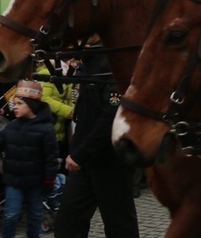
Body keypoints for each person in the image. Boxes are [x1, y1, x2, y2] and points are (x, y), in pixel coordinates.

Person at [53, 49, 140, 238]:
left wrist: (80, 153)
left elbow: (111, 114)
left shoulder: (112, 63)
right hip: (82, 163)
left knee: (120, 225)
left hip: (111, 162)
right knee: (67, 223)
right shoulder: (86, 62)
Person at [0, 80, 59, 238]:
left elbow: (51, 158)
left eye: (19, 104)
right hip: (13, 180)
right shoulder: (11, 126)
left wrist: (49, 180)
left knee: (35, 215)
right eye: (14, 103)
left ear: (31, 105)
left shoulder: (46, 129)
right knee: (11, 214)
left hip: (36, 182)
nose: (14, 107)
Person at [36, 61, 74, 171]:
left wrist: (74, 110)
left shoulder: (67, 75)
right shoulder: (46, 73)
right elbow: (44, 98)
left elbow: (68, 98)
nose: (75, 63)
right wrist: (68, 111)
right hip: (50, 124)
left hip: (62, 128)